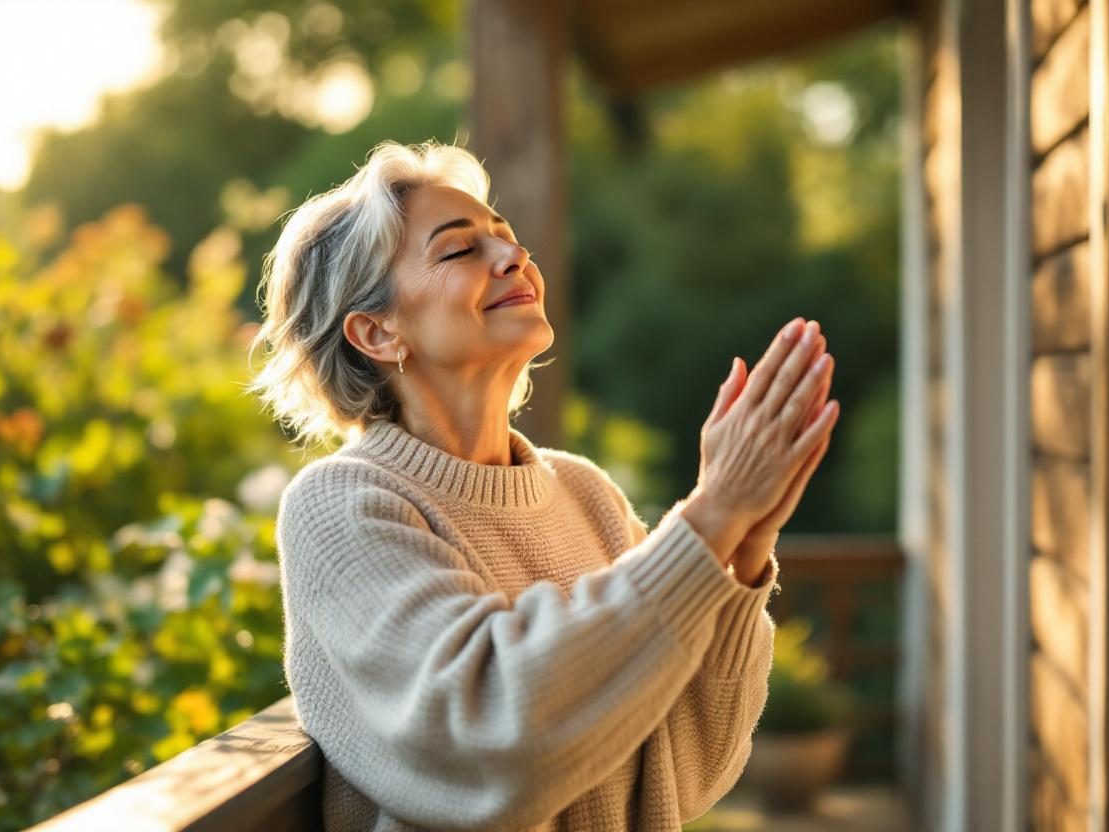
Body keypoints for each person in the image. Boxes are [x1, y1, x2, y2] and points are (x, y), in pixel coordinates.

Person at [246, 139, 839, 831]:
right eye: (459, 250)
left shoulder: (585, 494)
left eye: (508, 239)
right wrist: (711, 515)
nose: (514, 258)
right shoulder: (343, 506)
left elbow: (687, 769)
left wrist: (743, 544)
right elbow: (493, 740)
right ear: (377, 332)